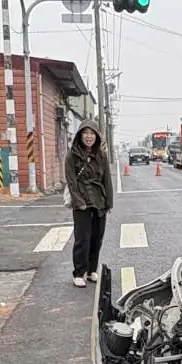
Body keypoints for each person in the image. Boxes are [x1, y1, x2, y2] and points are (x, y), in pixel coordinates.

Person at [64, 122, 112, 288]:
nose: (89, 136)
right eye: (85, 133)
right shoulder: (72, 156)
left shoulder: (101, 155)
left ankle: (92, 270)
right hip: (82, 202)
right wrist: (79, 203)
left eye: (92, 133)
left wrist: (109, 202)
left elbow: (107, 179)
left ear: (96, 136)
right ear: (80, 135)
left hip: (99, 201)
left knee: (97, 238)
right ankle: (79, 273)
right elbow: (71, 182)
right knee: (82, 239)